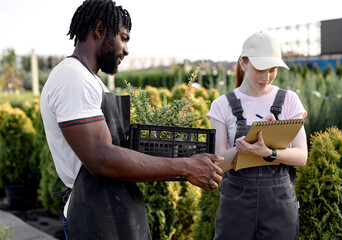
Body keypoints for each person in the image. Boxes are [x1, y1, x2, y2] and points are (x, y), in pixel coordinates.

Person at [40, 0, 223, 239]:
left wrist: (170, 152)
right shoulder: (72, 78)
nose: (126, 49)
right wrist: (185, 166)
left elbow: (113, 149)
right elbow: (101, 157)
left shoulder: (89, 78)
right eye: (123, 38)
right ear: (100, 29)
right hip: (95, 219)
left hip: (112, 212)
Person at [207, 31, 308, 240]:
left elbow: (301, 156)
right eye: (260, 69)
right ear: (243, 63)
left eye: (272, 70)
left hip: (278, 203)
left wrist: (270, 152)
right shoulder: (222, 105)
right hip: (237, 203)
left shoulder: (289, 100)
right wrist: (243, 147)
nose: (266, 77)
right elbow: (217, 165)